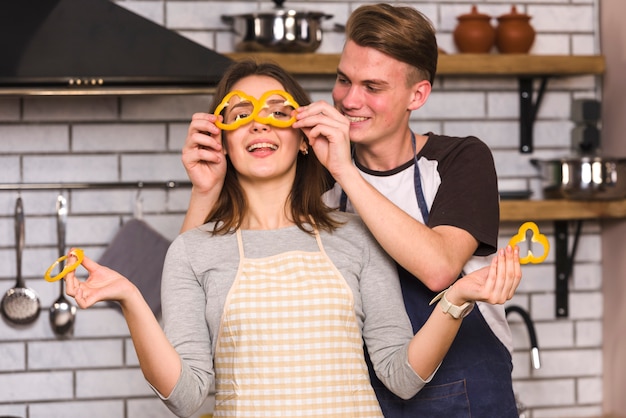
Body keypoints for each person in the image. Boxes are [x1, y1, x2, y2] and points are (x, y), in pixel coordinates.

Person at [64, 60, 521, 418]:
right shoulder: (190, 250)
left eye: (276, 112)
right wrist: (130, 298)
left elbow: (401, 377)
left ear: (304, 138)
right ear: (220, 139)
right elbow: (186, 398)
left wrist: (457, 297)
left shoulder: (356, 235)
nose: (259, 124)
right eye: (240, 114)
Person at [180, 4, 516, 417]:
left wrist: (343, 169)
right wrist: (204, 192)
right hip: (368, 397)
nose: (350, 99)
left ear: (418, 94)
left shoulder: (459, 160)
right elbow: (190, 282)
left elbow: (440, 267)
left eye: (372, 87)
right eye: (343, 80)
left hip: (468, 397)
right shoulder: (314, 177)